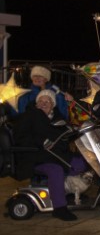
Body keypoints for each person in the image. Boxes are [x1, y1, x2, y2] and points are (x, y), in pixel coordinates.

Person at [13, 90, 81, 221]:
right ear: (36, 103)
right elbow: (20, 137)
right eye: (41, 101)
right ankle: (59, 208)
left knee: (82, 162)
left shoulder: (57, 118)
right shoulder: (30, 115)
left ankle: (73, 191)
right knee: (56, 170)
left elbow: (64, 134)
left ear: (53, 105)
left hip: (53, 155)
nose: (44, 104)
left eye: (47, 101)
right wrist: (40, 142)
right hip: (34, 157)